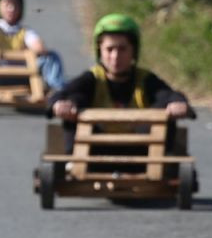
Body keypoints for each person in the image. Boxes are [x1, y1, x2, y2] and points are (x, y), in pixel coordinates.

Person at [46, 13, 192, 150]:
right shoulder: (93, 78)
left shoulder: (145, 79)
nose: (115, 57)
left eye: (122, 49)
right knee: (75, 100)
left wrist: (178, 104)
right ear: (100, 51)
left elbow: (168, 94)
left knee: (163, 110)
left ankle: (162, 166)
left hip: (141, 152)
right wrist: (60, 105)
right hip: (95, 150)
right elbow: (62, 94)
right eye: (109, 50)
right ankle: (71, 165)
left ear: (133, 51)